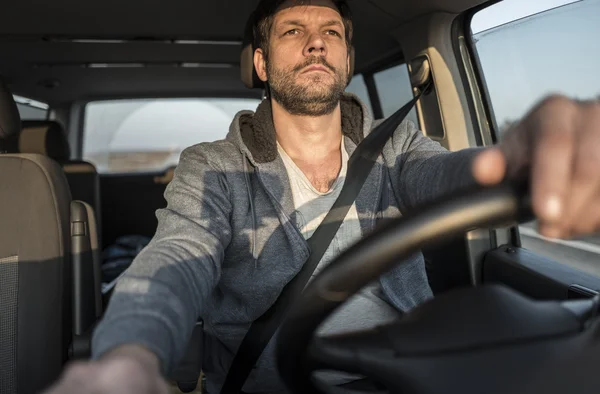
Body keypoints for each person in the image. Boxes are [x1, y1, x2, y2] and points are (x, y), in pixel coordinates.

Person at [43, 0, 600, 393]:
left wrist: (511, 161)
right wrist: (128, 357)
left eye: (331, 31)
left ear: (346, 60)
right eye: (292, 30)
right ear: (261, 64)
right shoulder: (213, 166)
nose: (316, 41)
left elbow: (447, 175)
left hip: (405, 374)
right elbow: (175, 258)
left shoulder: (396, 144)